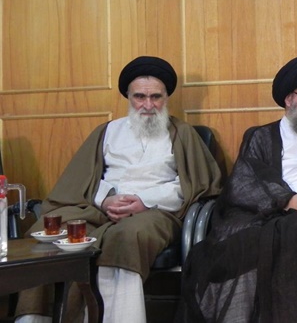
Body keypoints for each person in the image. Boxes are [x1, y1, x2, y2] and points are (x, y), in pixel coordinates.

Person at [15, 56, 224, 323]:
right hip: (100, 208)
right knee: (51, 231)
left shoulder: (181, 133)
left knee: (126, 236)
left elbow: (196, 186)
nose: (148, 105)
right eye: (140, 97)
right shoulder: (107, 131)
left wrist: (144, 201)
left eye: (156, 97)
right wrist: (105, 200)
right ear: (128, 96)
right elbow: (83, 179)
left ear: (166, 97)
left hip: (156, 212)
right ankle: (34, 319)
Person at [178, 54, 297, 323]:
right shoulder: (261, 136)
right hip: (268, 213)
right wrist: (289, 200)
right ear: (289, 98)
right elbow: (245, 180)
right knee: (244, 245)